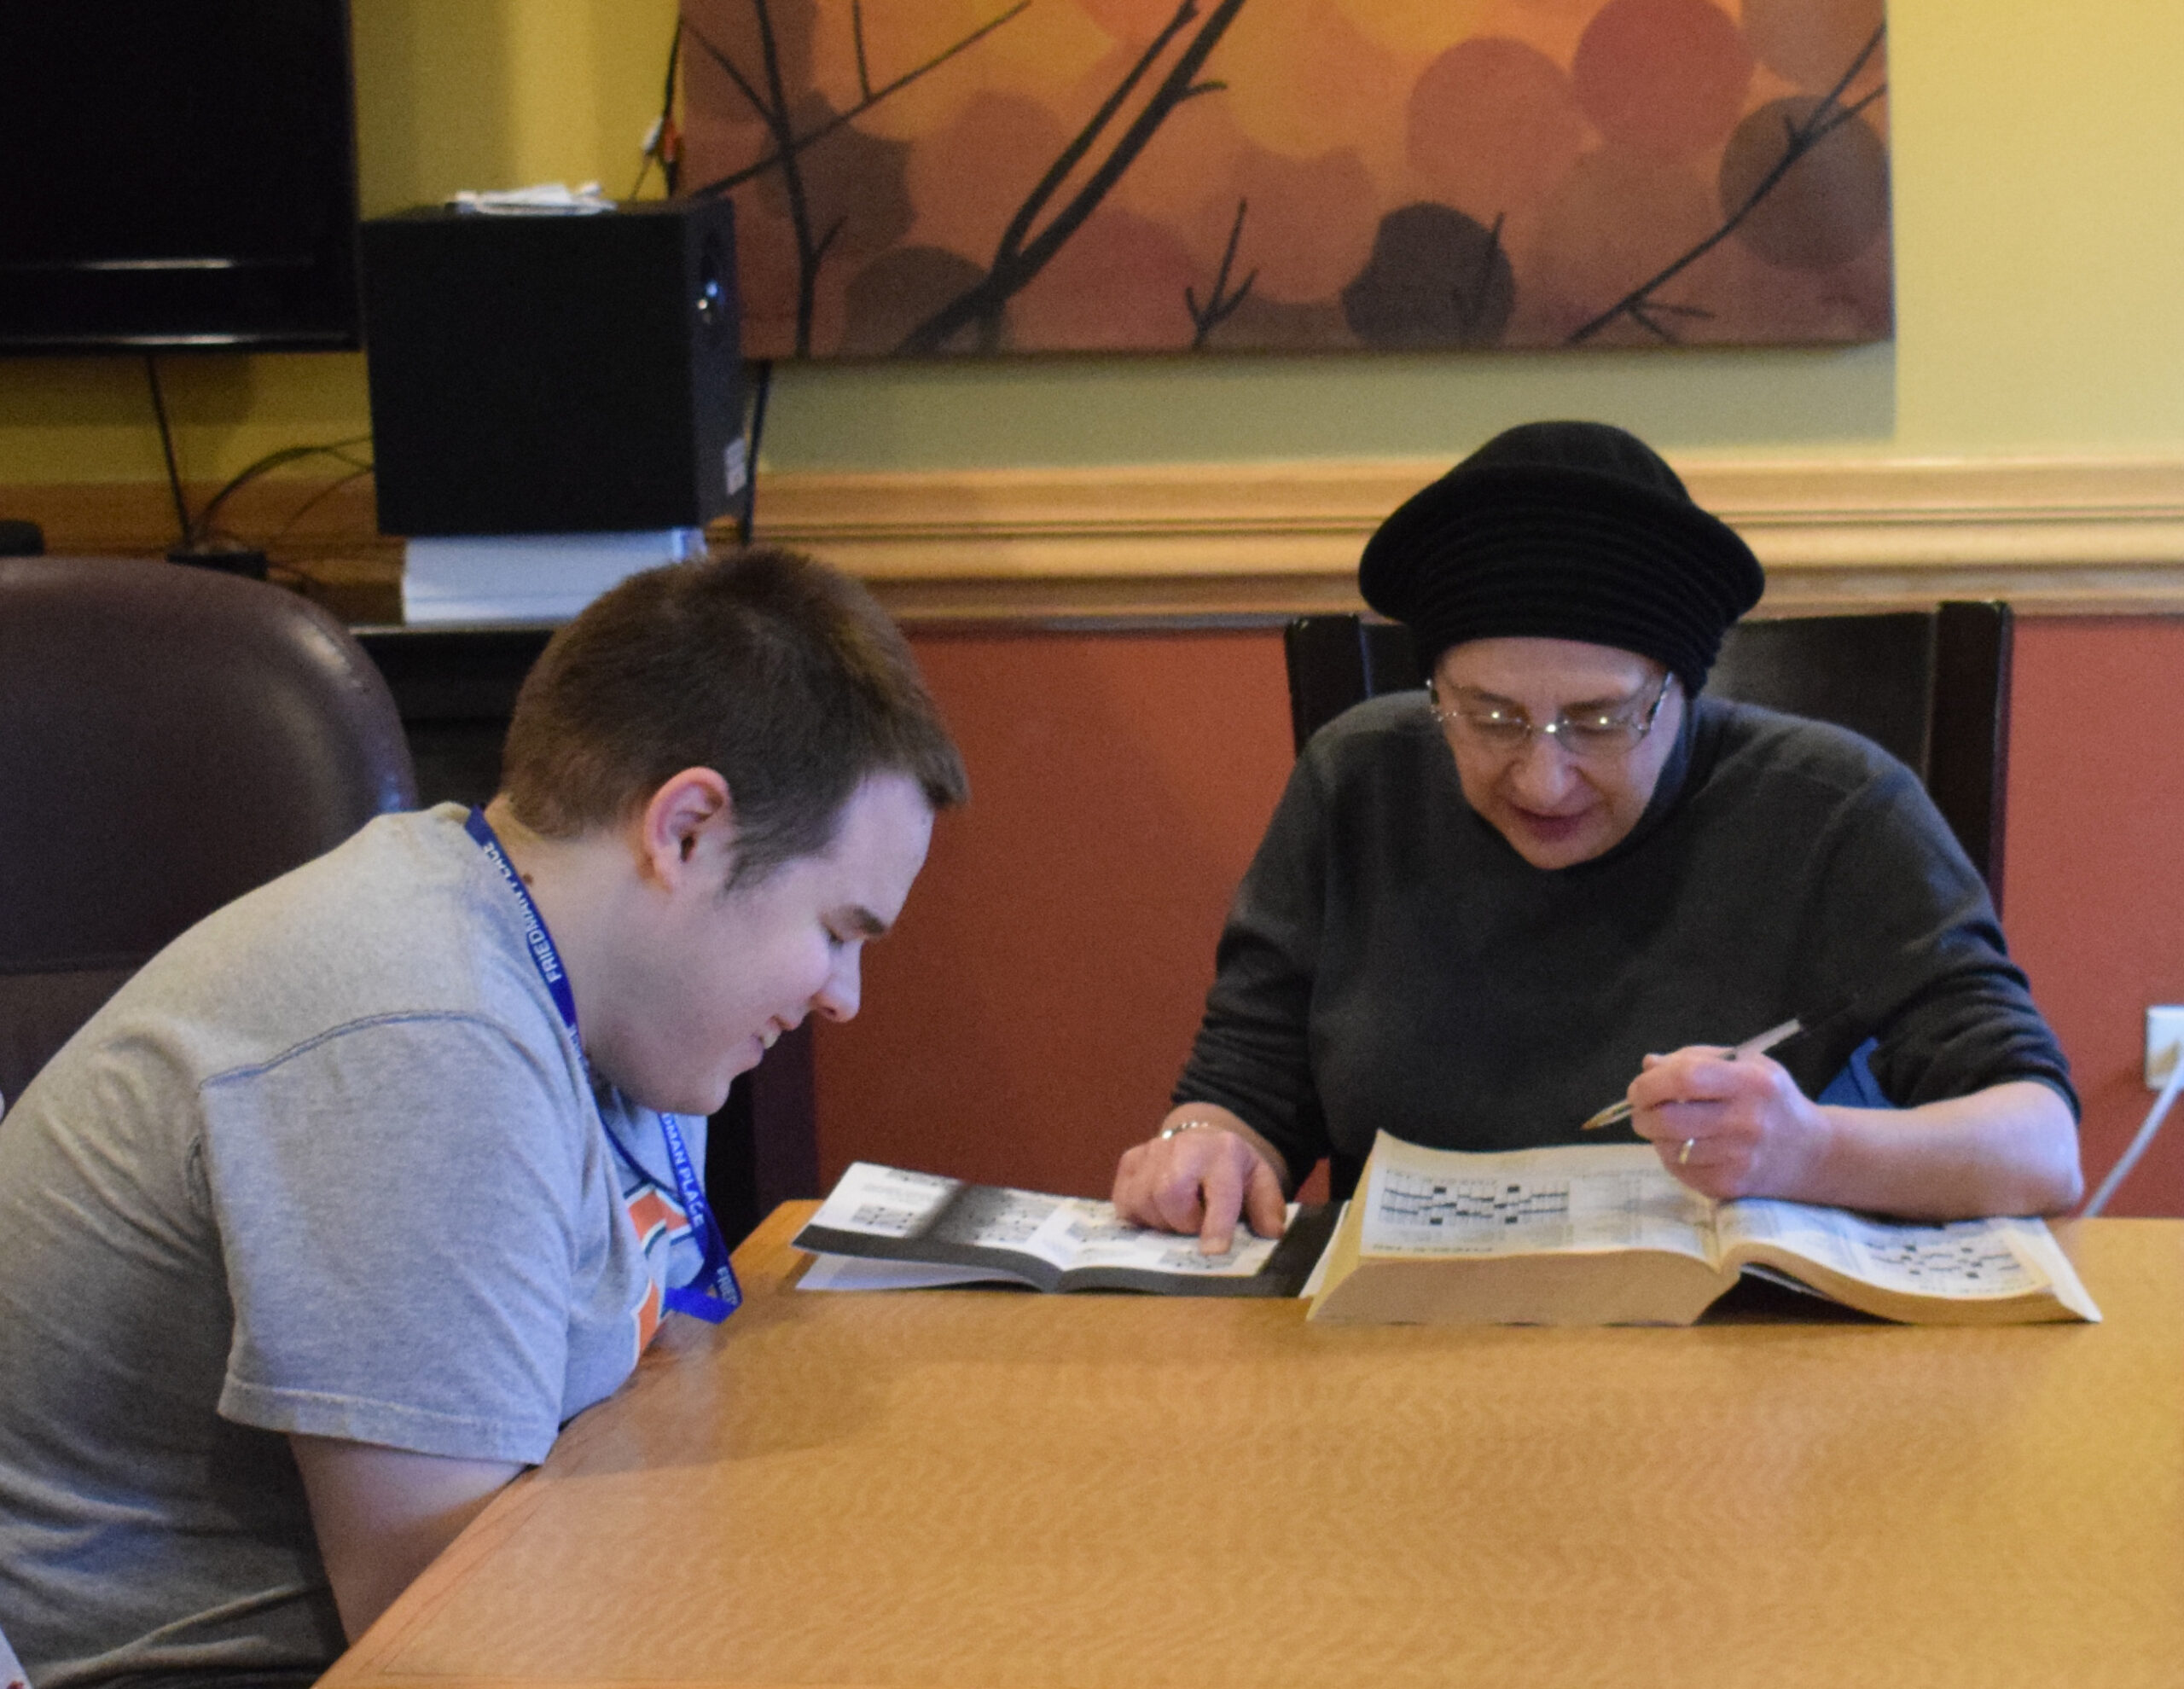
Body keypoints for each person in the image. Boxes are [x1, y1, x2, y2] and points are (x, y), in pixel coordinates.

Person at [0, 548, 967, 1686]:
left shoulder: (609, 1006)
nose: (841, 997)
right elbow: (448, 1635)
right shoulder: (427, 1033)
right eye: (838, 929)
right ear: (688, 831)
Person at [1113, 421, 2081, 1251]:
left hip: (1755, 1382)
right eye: (1487, 718)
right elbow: (1242, 1084)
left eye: (1600, 720)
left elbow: (2042, 1146)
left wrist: (1812, 1150)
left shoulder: (1836, 806)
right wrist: (1205, 1142)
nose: (1542, 777)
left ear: (1681, 691)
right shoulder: (1357, 780)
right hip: (1405, 1369)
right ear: (1433, 693)